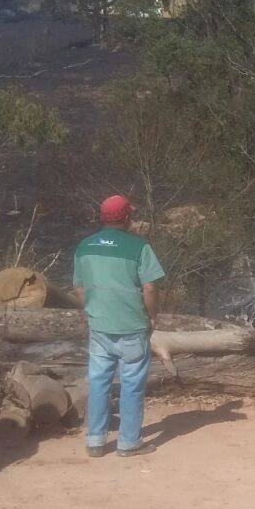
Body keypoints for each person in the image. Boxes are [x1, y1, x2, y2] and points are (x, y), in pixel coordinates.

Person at [73, 195, 165, 458]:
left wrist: (93, 309)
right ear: (125, 219)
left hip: (99, 326)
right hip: (132, 326)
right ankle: (128, 443)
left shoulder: (84, 246)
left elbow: (79, 287)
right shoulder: (139, 247)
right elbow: (150, 286)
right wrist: (151, 316)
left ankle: (95, 441)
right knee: (132, 384)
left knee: (99, 382)